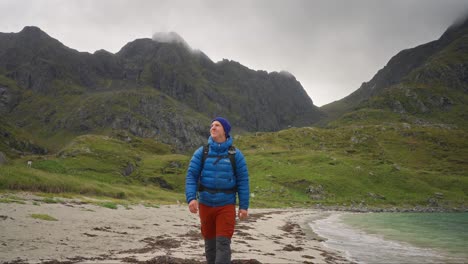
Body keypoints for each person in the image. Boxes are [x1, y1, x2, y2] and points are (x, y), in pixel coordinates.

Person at [185, 117, 250, 264]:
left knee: (223, 243)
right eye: (212, 125)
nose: (213, 128)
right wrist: (191, 198)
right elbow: (191, 176)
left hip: (226, 206)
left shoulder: (236, 155)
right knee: (210, 245)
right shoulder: (201, 152)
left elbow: (243, 181)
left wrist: (244, 206)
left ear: (225, 131)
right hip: (206, 205)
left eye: (217, 125)